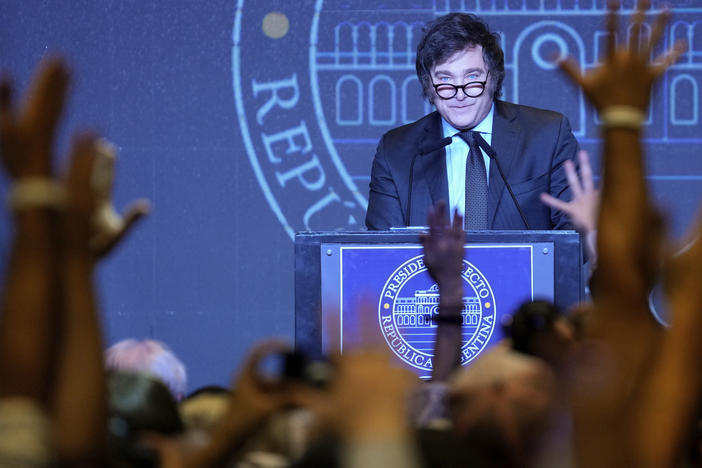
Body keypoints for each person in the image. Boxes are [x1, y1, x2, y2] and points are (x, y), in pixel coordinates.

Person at [365, 12, 579, 231]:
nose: (460, 94)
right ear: (428, 85)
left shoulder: (548, 135)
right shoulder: (396, 152)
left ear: (493, 78)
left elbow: (572, 236)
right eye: (445, 79)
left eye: (472, 77)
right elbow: (382, 250)